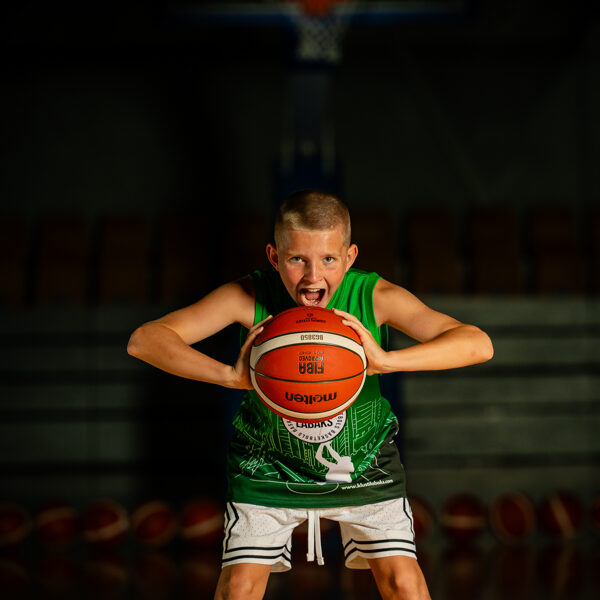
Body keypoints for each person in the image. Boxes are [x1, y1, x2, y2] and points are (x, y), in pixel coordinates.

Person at [127, 190, 493, 600]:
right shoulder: (248, 295)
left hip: (362, 462)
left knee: (404, 585)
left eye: (329, 259)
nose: (312, 276)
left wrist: (387, 361)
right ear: (274, 256)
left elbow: (477, 344)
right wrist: (229, 376)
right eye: (297, 259)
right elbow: (145, 340)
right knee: (239, 589)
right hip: (268, 464)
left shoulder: (374, 296)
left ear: (350, 257)